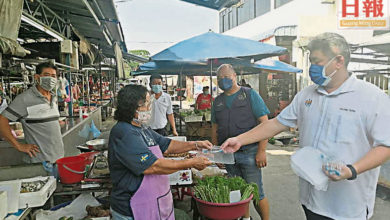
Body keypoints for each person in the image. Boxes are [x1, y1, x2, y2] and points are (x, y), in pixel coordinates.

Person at [221, 33, 390, 220]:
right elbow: (276, 124)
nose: (312, 68)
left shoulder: (372, 98)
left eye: (317, 61)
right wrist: (239, 140)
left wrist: (352, 169)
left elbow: (385, 146)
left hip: (348, 205)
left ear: (339, 61)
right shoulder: (307, 95)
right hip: (312, 199)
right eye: (311, 61)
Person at [108, 84, 212, 220]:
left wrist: (196, 144)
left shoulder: (142, 128)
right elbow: (153, 166)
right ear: (131, 107)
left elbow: (167, 145)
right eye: (145, 103)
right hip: (133, 209)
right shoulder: (123, 132)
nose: (149, 107)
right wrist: (191, 162)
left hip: (155, 202)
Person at [211, 64, 270, 220]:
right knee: (237, 192)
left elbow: (266, 124)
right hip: (228, 155)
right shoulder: (217, 101)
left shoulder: (250, 95)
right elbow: (214, 129)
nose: (223, 81)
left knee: (256, 192)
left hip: (249, 152)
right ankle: (246, 218)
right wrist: (217, 154)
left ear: (234, 76)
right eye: (219, 79)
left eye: (226, 77)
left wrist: (261, 151)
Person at [0, 62, 64, 166]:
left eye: (53, 76)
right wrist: (18, 145)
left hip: (58, 157)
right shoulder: (24, 99)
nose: (51, 79)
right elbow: (2, 120)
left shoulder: (53, 97)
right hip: (40, 162)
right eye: (46, 75)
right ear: (37, 77)